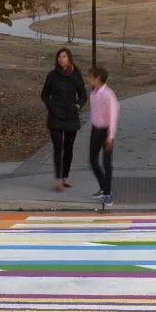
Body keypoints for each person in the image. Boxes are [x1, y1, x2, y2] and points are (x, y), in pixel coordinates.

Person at [40, 47, 88, 192]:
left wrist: (78, 105)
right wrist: (52, 106)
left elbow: (83, 95)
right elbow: (44, 95)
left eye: (64, 57)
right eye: (59, 57)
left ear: (69, 59)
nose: (61, 59)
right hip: (56, 116)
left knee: (68, 148)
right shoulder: (52, 75)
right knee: (58, 148)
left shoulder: (76, 74)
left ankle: (65, 176)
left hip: (71, 115)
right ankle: (58, 179)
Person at [86, 65, 118, 209]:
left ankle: (108, 192)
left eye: (91, 77)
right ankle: (103, 186)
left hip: (106, 132)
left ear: (98, 78)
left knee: (106, 163)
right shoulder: (93, 93)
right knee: (92, 160)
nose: (88, 79)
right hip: (95, 130)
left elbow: (113, 117)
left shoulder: (108, 95)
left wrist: (110, 137)